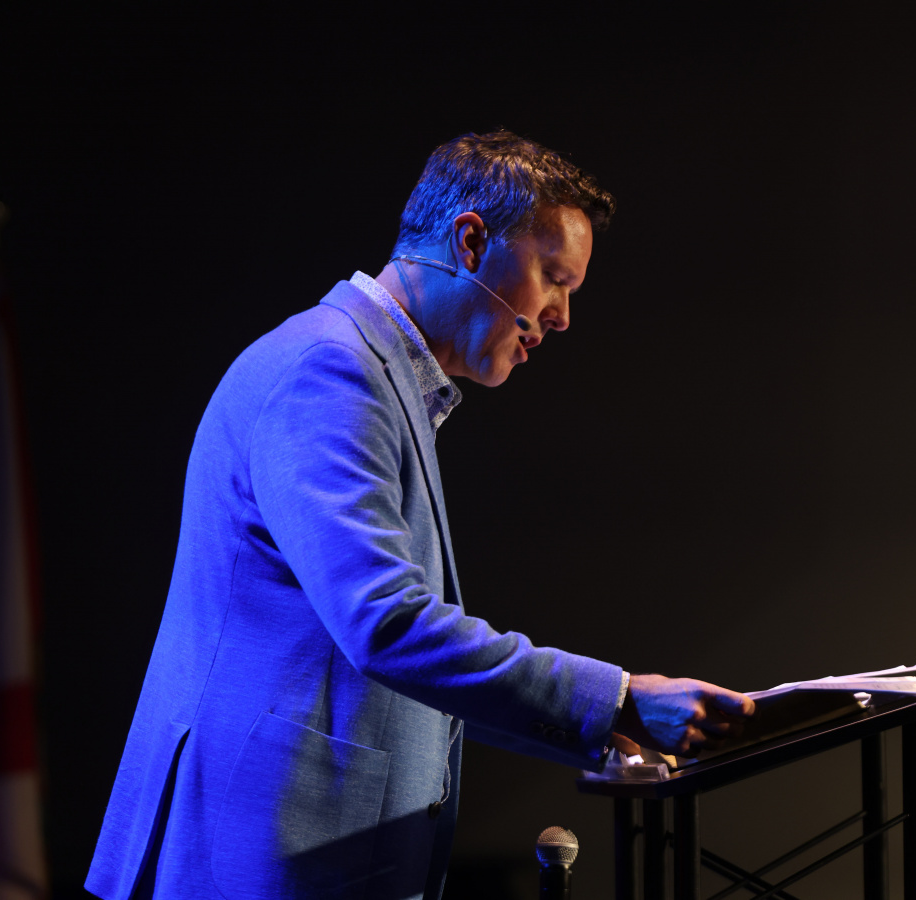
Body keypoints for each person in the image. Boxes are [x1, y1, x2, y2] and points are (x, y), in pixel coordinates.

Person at [85, 132, 755, 900]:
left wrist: (608, 721)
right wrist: (618, 701)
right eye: (553, 278)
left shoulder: (371, 375)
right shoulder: (330, 371)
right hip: (252, 862)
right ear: (469, 243)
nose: (563, 316)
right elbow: (387, 625)